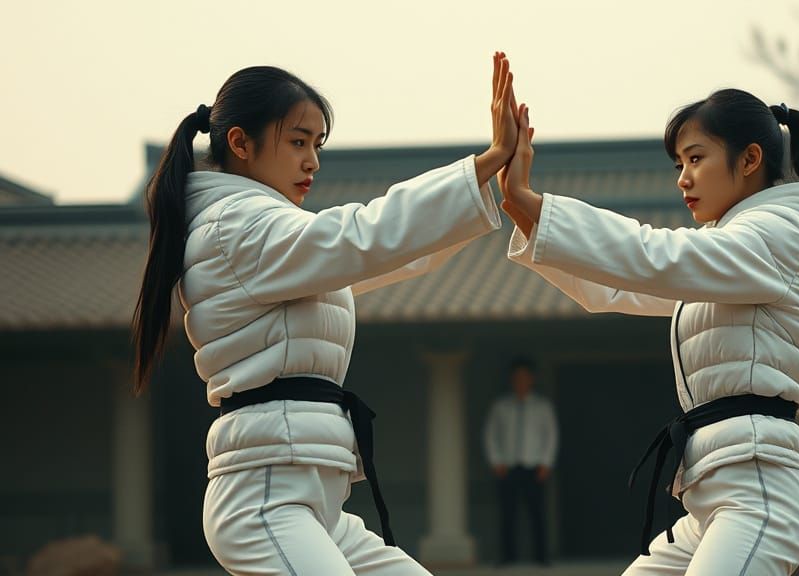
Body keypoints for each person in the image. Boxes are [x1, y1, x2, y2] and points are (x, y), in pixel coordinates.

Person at [130, 54, 519, 575]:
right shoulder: (234, 227)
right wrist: (486, 162)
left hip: (319, 506)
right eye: (297, 141)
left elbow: (387, 252)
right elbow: (362, 236)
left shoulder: (271, 234)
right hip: (265, 501)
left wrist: (496, 190)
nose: (312, 160)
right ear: (240, 143)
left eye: (317, 145)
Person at [498, 89, 799, 575]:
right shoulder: (725, 251)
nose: (683, 178)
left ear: (750, 159)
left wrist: (539, 205)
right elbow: (614, 291)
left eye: (696, 158)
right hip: (713, 500)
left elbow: (655, 256)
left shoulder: (781, 232)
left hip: (761, 495)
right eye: (679, 163)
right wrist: (526, 215)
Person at [483, 357, 558, 566]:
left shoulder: (542, 406)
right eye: (517, 377)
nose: (521, 381)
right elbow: (491, 434)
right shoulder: (501, 406)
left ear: (531, 379)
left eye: (525, 377)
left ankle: (541, 557)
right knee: (508, 514)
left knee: (537, 514)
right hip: (507, 467)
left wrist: (546, 462)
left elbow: (550, 434)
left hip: (534, 467)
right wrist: (496, 461)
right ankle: (507, 556)